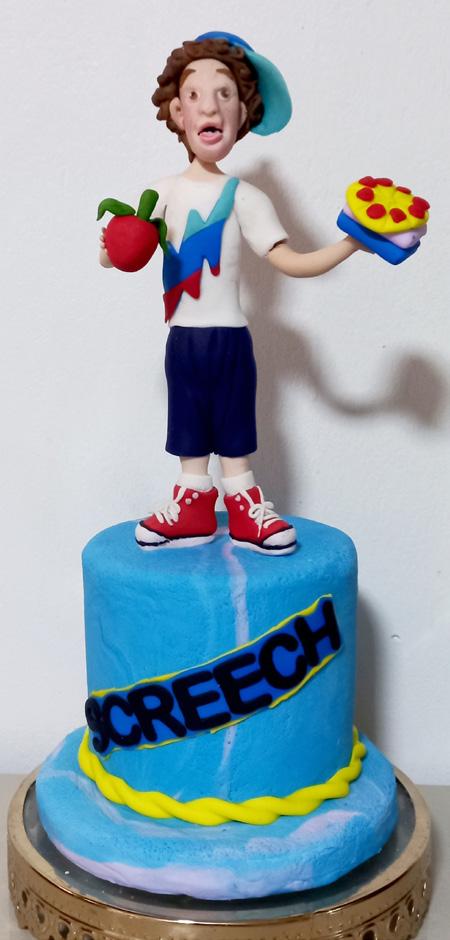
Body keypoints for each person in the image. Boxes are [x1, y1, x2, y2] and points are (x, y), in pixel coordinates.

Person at [99, 31, 365, 555]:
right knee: (188, 424)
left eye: (225, 94)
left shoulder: (247, 197)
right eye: (196, 95)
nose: (210, 106)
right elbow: (123, 254)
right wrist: (111, 247)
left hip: (231, 340)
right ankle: (192, 502)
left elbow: (290, 261)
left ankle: (244, 502)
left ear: (243, 113)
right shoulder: (164, 193)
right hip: (183, 340)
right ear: (178, 111)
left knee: (235, 425)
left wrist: (351, 243)